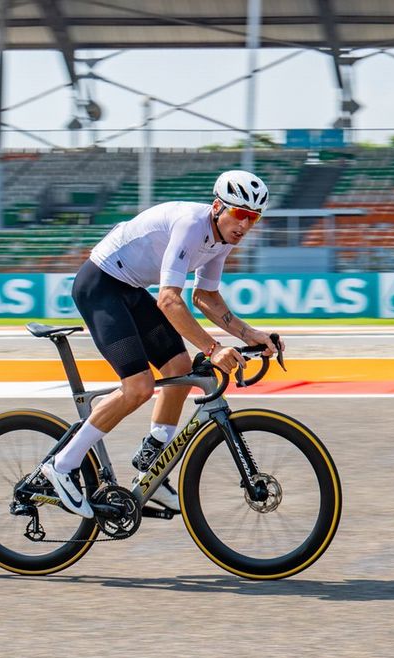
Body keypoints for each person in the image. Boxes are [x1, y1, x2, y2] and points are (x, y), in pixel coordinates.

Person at [40, 169, 283, 519]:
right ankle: (61, 466)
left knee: (179, 368)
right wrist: (214, 350)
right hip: (100, 285)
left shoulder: (222, 240)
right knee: (138, 387)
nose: (245, 225)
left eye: (254, 218)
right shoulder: (191, 225)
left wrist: (249, 335)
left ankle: (151, 469)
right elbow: (169, 301)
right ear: (218, 206)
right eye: (241, 214)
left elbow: (205, 296)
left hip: (131, 288)